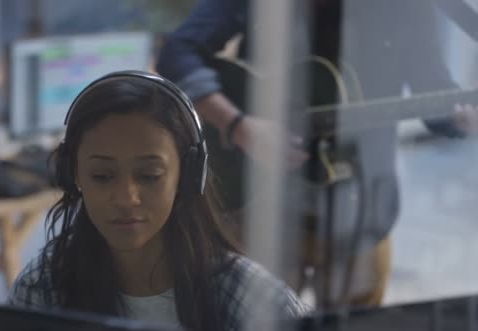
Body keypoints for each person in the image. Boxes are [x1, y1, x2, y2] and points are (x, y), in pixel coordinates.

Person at [155, 0, 478, 309]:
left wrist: (459, 116)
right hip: (263, 206)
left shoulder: (405, 4)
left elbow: (432, 88)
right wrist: (238, 125)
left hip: (360, 210)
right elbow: (177, 52)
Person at [6, 71, 308, 331]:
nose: (126, 198)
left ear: (188, 176)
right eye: (102, 176)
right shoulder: (43, 287)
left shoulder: (257, 302)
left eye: (149, 176)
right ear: (74, 175)